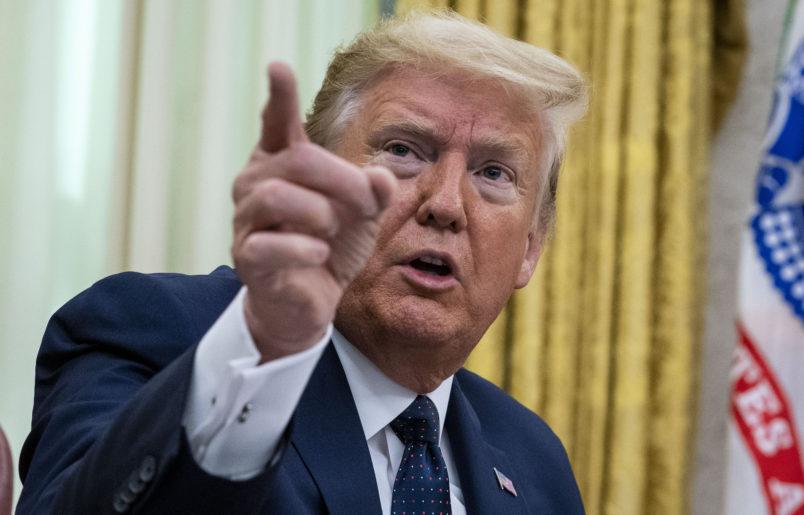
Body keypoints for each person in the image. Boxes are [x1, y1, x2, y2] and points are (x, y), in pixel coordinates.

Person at [17, 11, 588, 514]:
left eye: (493, 173)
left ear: (531, 248)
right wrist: (267, 345)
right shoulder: (145, 334)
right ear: (313, 180)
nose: (444, 204)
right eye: (404, 151)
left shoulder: (535, 461)